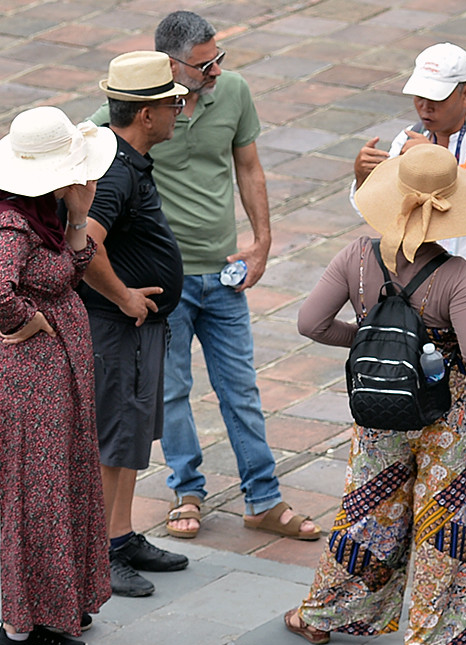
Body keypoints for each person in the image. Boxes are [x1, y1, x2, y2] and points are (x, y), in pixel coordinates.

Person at [93, 12, 318, 546]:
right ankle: (186, 491)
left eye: (219, 58)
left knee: (240, 389)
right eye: (204, 63)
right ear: (169, 69)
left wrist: (261, 243)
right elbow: (92, 186)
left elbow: (249, 168)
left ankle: (263, 498)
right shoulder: (125, 117)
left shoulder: (232, 92)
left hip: (223, 275)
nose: (216, 70)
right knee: (170, 394)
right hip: (164, 288)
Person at [289, 145, 466, 645]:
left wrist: (368, 339)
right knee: (446, 519)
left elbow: (310, 323)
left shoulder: (356, 258)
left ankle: (323, 615)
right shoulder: (456, 275)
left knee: (367, 511)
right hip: (447, 412)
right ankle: (425, 640)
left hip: (379, 411)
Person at [353, 43, 466, 564]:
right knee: (430, 407)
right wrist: (363, 175)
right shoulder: (407, 140)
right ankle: (441, 507)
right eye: (419, 96)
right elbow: (376, 209)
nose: (425, 108)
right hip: (431, 302)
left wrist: (428, 164)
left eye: (436, 98)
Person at [0, 108, 116, 645]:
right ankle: (20, 628)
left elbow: (69, 269)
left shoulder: (44, 216)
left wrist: (79, 216)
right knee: (37, 499)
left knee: (62, 489)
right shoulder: (13, 225)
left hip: (53, 378)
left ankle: (58, 606)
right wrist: (29, 323)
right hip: (27, 383)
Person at [81, 50, 192, 599]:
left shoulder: (125, 158)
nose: (181, 108)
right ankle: (101, 552)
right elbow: (85, 243)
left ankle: (121, 536)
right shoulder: (115, 171)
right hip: (116, 329)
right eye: (173, 102)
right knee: (113, 437)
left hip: (138, 330)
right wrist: (123, 296)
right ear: (145, 115)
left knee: (129, 436)